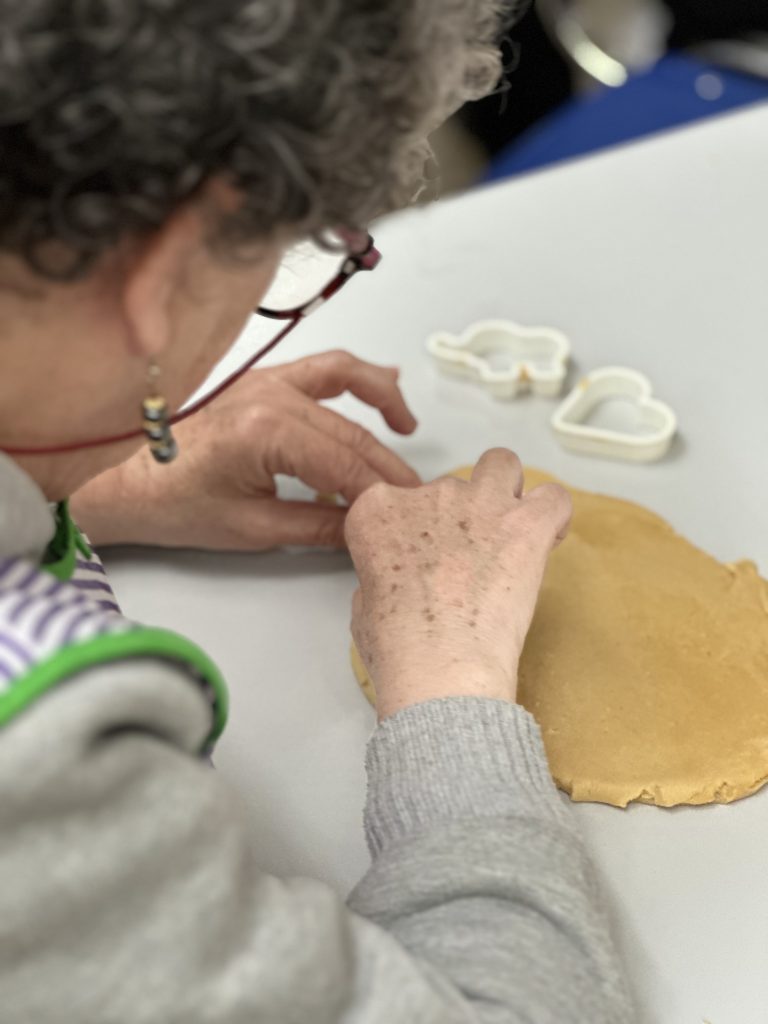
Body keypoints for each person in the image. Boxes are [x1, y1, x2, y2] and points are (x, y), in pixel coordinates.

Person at [0, 1, 635, 1021]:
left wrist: (86, 463)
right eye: (281, 259)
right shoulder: (38, 769)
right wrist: (449, 689)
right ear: (162, 279)